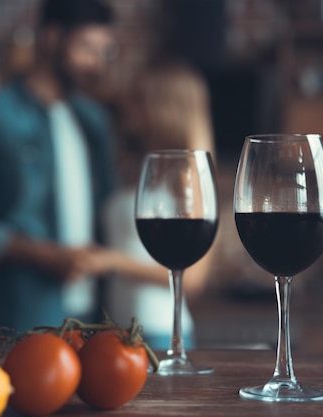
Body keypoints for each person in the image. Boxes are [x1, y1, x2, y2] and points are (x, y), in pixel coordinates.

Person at [0, 0, 117, 332]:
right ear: (51, 38)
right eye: (86, 48)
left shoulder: (94, 121)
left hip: (96, 318)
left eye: (103, 52)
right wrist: (43, 255)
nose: (96, 63)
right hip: (21, 319)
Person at [99, 61, 217, 349]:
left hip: (159, 331)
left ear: (166, 108)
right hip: (117, 328)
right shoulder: (134, 165)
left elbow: (194, 278)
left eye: (139, 97)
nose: (127, 103)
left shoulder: (188, 175)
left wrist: (110, 260)